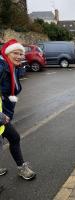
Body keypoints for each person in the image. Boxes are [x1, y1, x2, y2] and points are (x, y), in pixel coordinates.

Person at [0, 39, 36, 180]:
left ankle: (21, 168)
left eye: (21, 54)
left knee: (10, 138)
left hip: (5, 113)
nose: (20, 56)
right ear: (7, 53)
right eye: (16, 53)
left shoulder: (11, 67)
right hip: (1, 115)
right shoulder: (2, 67)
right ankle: (22, 168)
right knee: (14, 137)